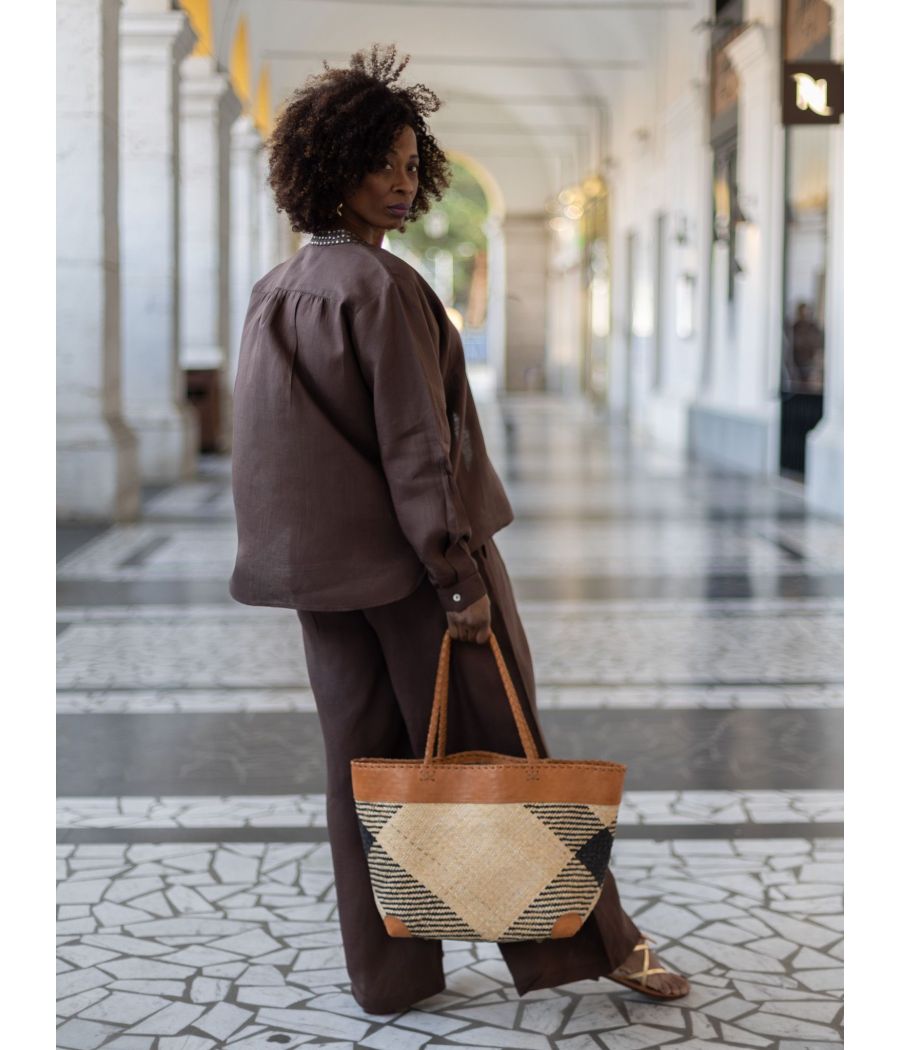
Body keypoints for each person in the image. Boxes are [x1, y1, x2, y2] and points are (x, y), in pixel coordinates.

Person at [229, 42, 689, 1016]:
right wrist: (456, 578)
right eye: (383, 163)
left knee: (363, 773)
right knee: (504, 753)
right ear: (333, 168)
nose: (402, 184)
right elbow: (415, 450)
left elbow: (269, 455)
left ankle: (388, 976)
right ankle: (604, 946)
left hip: (325, 586)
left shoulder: (273, 295)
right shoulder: (385, 292)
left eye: (410, 164)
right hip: (421, 581)